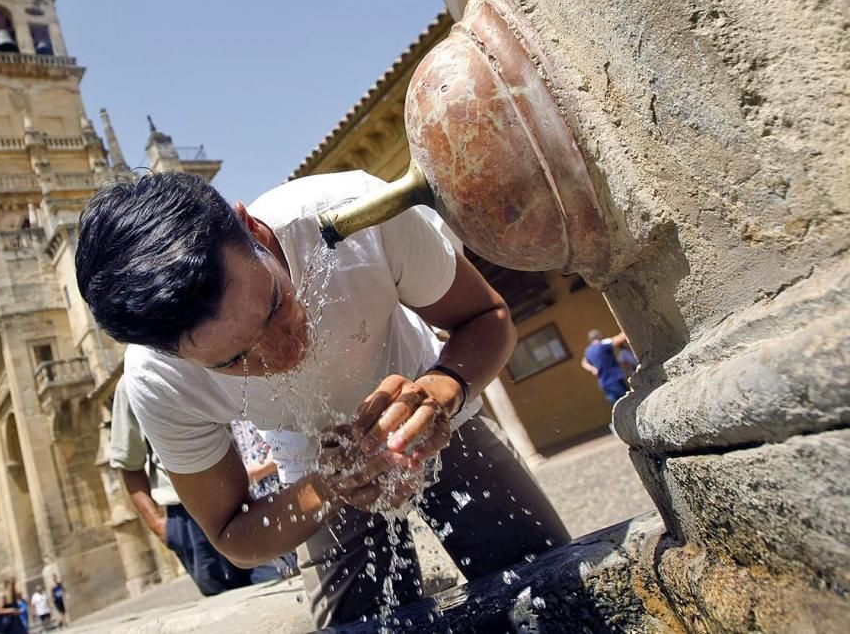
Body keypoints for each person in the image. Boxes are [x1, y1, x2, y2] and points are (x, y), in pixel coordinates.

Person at [76, 170, 570, 628]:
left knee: (552, 588)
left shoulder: (352, 215)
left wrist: (441, 390)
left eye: (273, 307)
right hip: (310, 466)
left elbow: (486, 316)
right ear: (170, 356)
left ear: (252, 229)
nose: (283, 353)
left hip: (435, 405)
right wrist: (332, 484)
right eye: (233, 361)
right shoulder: (158, 381)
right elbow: (234, 535)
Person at [110, 376, 281, 594]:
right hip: (189, 518)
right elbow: (129, 464)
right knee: (227, 602)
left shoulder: (205, 351)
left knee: (277, 579)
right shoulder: (131, 383)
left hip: (249, 495)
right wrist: (161, 527)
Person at [581, 329, 631, 404]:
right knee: (628, 402)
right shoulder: (603, 345)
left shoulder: (588, 351)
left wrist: (593, 369)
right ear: (600, 336)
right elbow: (621, 338)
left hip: (604, 383)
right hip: (615, 379)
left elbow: (584, 362)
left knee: (618, 406)